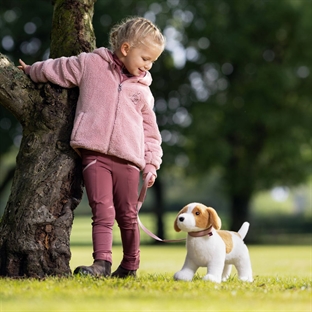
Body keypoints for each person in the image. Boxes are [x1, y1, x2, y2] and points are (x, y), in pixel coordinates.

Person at [18, 17, 165, 278]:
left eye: (152, 61)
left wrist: (151, 163)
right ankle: (102, 264)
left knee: (128, 216)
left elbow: (151, 133)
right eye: (145, 58)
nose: (148, 66)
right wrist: (32, 70)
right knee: (102, 211)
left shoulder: (143, 91)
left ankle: (130, 265)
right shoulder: (90, 64)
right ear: (126, 48)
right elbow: (59, 68)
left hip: (129, 162)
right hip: (95, 154)